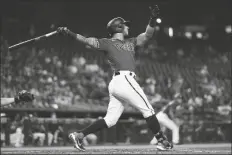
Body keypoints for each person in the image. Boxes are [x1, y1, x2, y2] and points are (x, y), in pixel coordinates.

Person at [57, 5, 173, 151]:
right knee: (148, 110)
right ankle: (161, 140)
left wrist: (153, 19)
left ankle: (79, 135)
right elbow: (88, 41)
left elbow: (148, 35)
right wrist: (69, 33)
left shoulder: (131, 42)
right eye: (125, 25)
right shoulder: (107, 43)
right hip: (124, 80)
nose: (127, 28)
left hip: (118, 83)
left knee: (110, 120)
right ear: (118, 27)